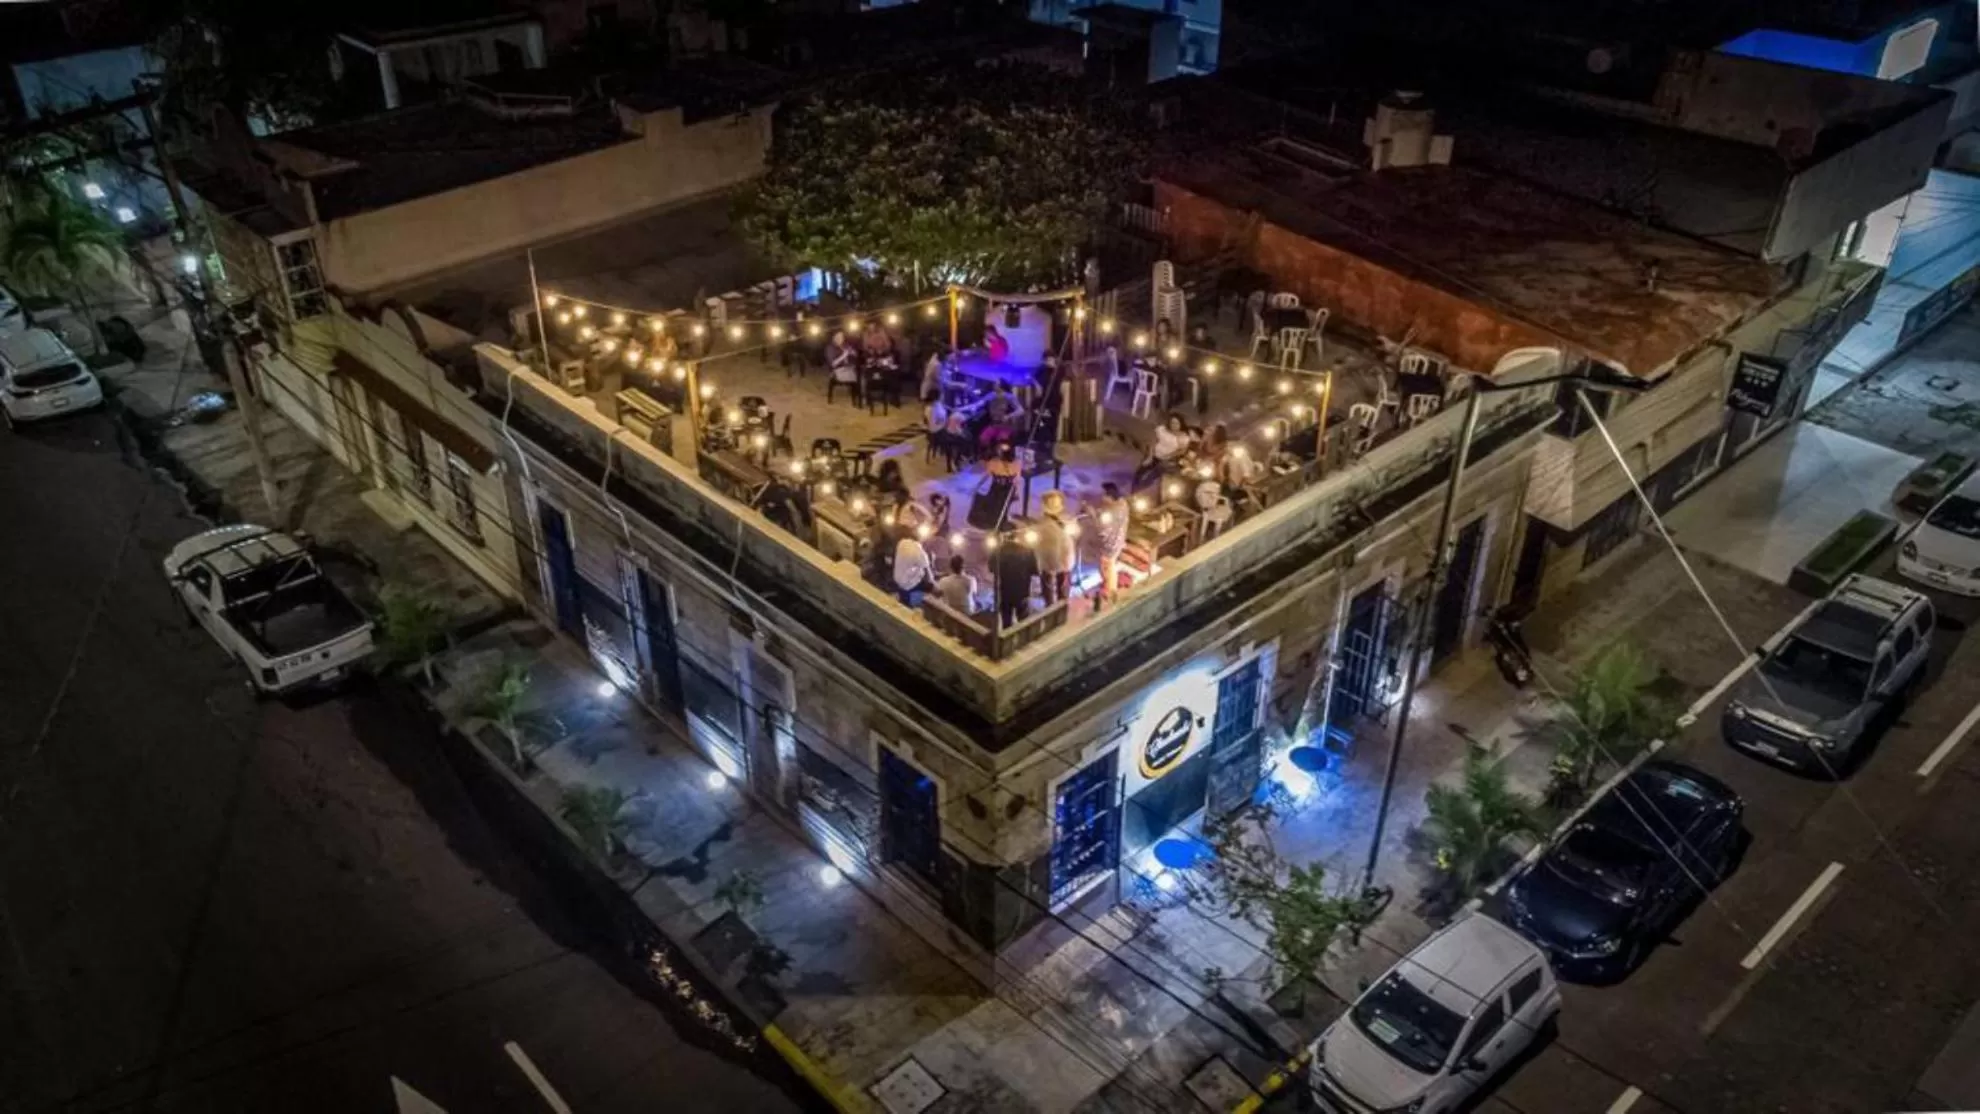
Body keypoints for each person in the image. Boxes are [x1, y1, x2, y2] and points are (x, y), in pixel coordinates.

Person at [1035, 490, 1076, 606]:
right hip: (1065, 561)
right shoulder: (1068, 520)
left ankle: (1051, 609)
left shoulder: (1041, 524)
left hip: (1049, 563)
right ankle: (1061, 609)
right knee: (1063, 590)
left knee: (1048, 590)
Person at [1091, 483, 1129, 608]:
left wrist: (1092, 514)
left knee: (1107, 569)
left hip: (1109, 546)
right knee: (1111, 567)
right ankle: (1111, 589)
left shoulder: (1110, 514)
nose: (1102, 498)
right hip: (1118, 541)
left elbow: (1101, 530)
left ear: (1110, 497)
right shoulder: (1123, 505)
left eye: (1104, 496)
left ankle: (1110, 593)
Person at [995, 532, 1039, 628]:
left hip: (1005, 592)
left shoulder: (999, 551)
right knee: (1023, 623)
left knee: (1006, 623)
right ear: (1017, 536)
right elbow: (1035, 571)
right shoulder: (1027, 550)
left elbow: (992, 568)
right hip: (1023, 591)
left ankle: (1007, 642)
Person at [1135, 412, 1191, 487]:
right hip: (1153, 455)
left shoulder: (1183, 437)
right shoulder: (1162, 429)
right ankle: (1134, 487)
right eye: (1172, 423)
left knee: (1153, 477)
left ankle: (1142, 488)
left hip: (1166, 460)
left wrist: (1170, 456)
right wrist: (1150, 456)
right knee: (1141, 471)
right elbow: (1153, 441)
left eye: (1176, 423)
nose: (1174, 425)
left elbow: (1182, 450)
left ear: (1181, 424)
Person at [893, 530, 933, 603]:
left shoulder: (902, 542)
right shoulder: (921, 554)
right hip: (908, 588)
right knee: (929, 590)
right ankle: (912, 602)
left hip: (897, 580)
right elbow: (930, 577)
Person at [826, 330, 859, 404]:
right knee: (854, 377)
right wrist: (844, 355)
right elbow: (833, 364)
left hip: (848, 368)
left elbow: (855, 356)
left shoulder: (845, 345)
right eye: (838, 337)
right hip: (837, 370)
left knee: (857, 374)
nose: (840, 339)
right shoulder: (830, 348)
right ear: (834, 338)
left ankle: (856, 398)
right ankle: (856, 393)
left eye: (842, 337)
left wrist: (853, 353)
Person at [923, 391, 950, 465]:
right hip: (936, 432)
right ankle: (948, 457)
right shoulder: (931, 410)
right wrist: (944, 423)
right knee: (951, 434)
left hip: (938, 427)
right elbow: (934, 424)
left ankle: (943, 450)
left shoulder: (936, 405)